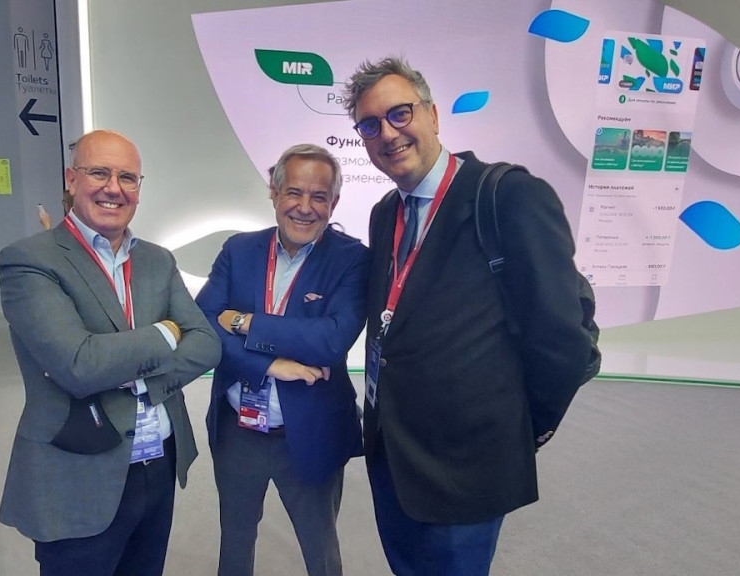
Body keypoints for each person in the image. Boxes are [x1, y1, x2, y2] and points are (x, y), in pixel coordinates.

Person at [342, 57, 592, 575]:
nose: (388, 133)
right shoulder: (385, 212)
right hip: (394, 454)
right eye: (370, 125)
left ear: (432, 115)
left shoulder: (507, 196)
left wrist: (520, 428)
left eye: (400, 113)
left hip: (466, 463)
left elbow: (561, 339)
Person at [0, 130, 221, 575]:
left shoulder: (158, 260)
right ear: (71, 179)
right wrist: (165, 333)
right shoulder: (30, 260)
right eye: (99, 172)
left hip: (158, 462)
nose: (113, 188)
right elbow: (80, 365)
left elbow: (206, 343)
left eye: (127, 177)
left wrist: (131, 371)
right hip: (78, 470)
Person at [195, 144, 368, 576]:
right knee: (235, 544)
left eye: (319, 196)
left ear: (334, 203)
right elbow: (202, 324)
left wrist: (245, 322)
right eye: (294, 192)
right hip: (238, 429)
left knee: (320, 549)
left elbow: (332, 340)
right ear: (274, 193)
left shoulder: (352, 258)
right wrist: (270, 365)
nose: (305, 208)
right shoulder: (239, 250)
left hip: (311, 430)